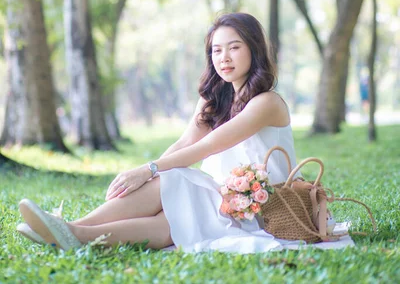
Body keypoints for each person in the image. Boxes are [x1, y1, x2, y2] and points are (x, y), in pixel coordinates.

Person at [17, 13, 352, 254]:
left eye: (234, 48)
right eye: (216, 50)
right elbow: (185, 141)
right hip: (221, 198)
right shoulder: (215, 96)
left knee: (173, 189)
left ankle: (69, 230)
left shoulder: (267, 103)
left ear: (253, 49)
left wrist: (147, 169)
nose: (224, 57)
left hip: (267, 211)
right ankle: (71, 230)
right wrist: (147, 174)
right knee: (171, 211)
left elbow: (208, 146)